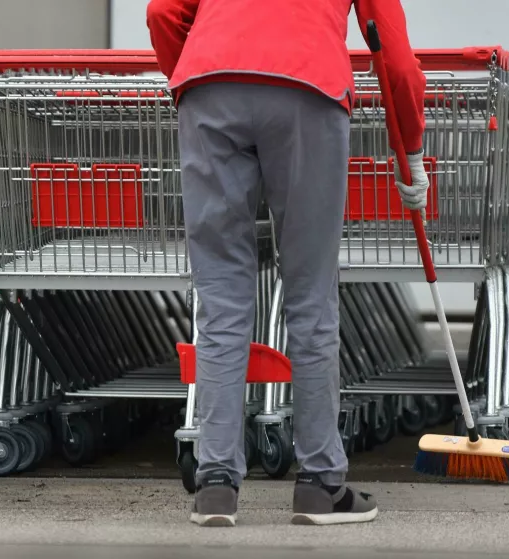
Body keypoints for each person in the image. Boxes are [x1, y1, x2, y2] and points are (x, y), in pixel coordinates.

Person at [147, 0, 429, 526]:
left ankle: (215, 486)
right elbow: (394, 60)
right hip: (307, 89)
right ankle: (321, 484)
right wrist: (410, 151)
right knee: (308, 292)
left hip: (210, 88)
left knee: (221, 297)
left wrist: (194, 78)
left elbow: (163, 12)